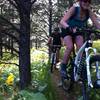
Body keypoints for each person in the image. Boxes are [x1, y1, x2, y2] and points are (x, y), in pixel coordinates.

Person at [60, 0, 100, 80]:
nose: (87, 3)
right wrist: (69, 28)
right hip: (67, 29)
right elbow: (62, 21)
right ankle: (63, 67)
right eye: (85, 1)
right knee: (70, 46)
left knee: (81, 48)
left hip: (78, 31)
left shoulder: (89, 12)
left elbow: (96, 23)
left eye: (89, 1)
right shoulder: (74, 9)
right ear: (80, 2)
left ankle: (79, 67)